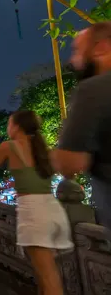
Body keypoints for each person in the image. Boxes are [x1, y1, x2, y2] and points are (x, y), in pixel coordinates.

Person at [0, 111, 72, 295]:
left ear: (17, 127)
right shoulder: (43, 150)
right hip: (53, 211)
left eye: (9, 124)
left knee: (49, 280)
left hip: (33, 214)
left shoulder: (8, 146)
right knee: (43, 277)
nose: (8, 128)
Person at [51, 21, 111, 232]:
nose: (73, 60)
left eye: (77, 51)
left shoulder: (93, 90)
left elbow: (69, 163)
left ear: (101, 47)